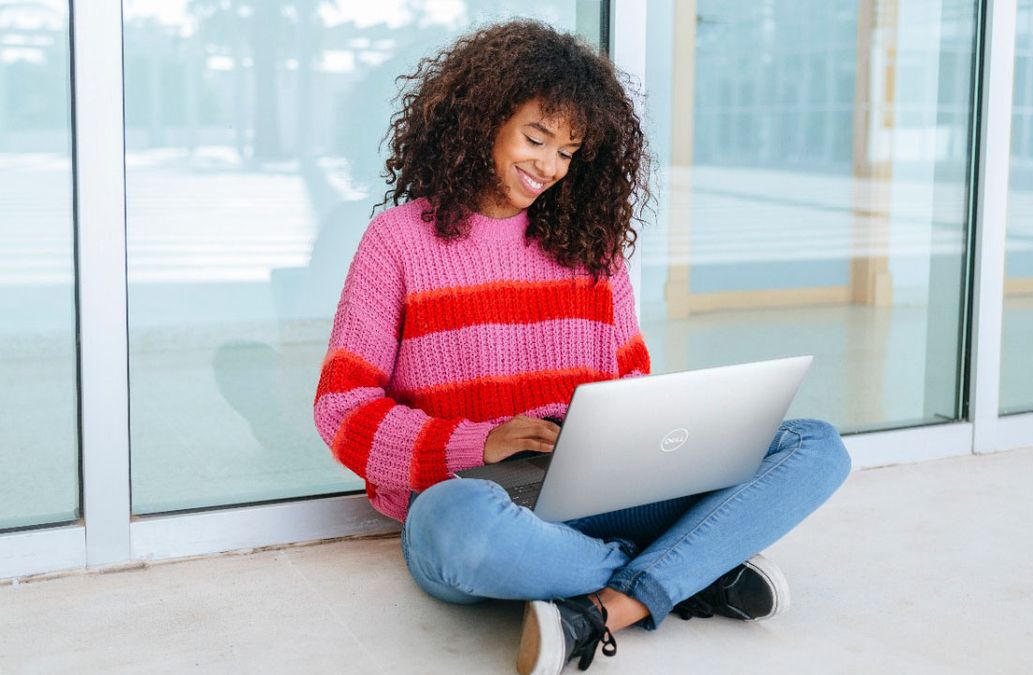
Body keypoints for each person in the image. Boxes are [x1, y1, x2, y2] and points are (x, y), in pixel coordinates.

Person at [312, 19, 852, 675]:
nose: (549, 166)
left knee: (815, 443)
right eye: (535, 138)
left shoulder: (591, 250)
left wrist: (649, 436)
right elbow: (343, 407)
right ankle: (687, 570)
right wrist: (480, 443)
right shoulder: (397, 241)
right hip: (483, 496)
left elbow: (633, 384)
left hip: (600, 488)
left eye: (568, 151)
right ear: (480, 119)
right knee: (453, 526)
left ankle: (601, 609)